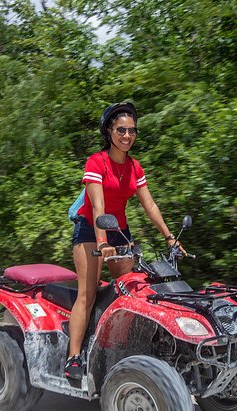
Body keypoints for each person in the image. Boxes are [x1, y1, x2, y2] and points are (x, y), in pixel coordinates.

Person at [65, 102, 183, 379]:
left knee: (130, 288)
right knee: (88, 293)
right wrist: (103, 243)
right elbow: (98, 209)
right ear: (109, 131)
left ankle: (118, 346)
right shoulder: (97, 162)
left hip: (120, 232)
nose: (127, 136)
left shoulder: (134, 167)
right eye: (121, 130)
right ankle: (73, 358)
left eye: (132, 131)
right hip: (90, 230)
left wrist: (169, 238)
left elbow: (150, 205)